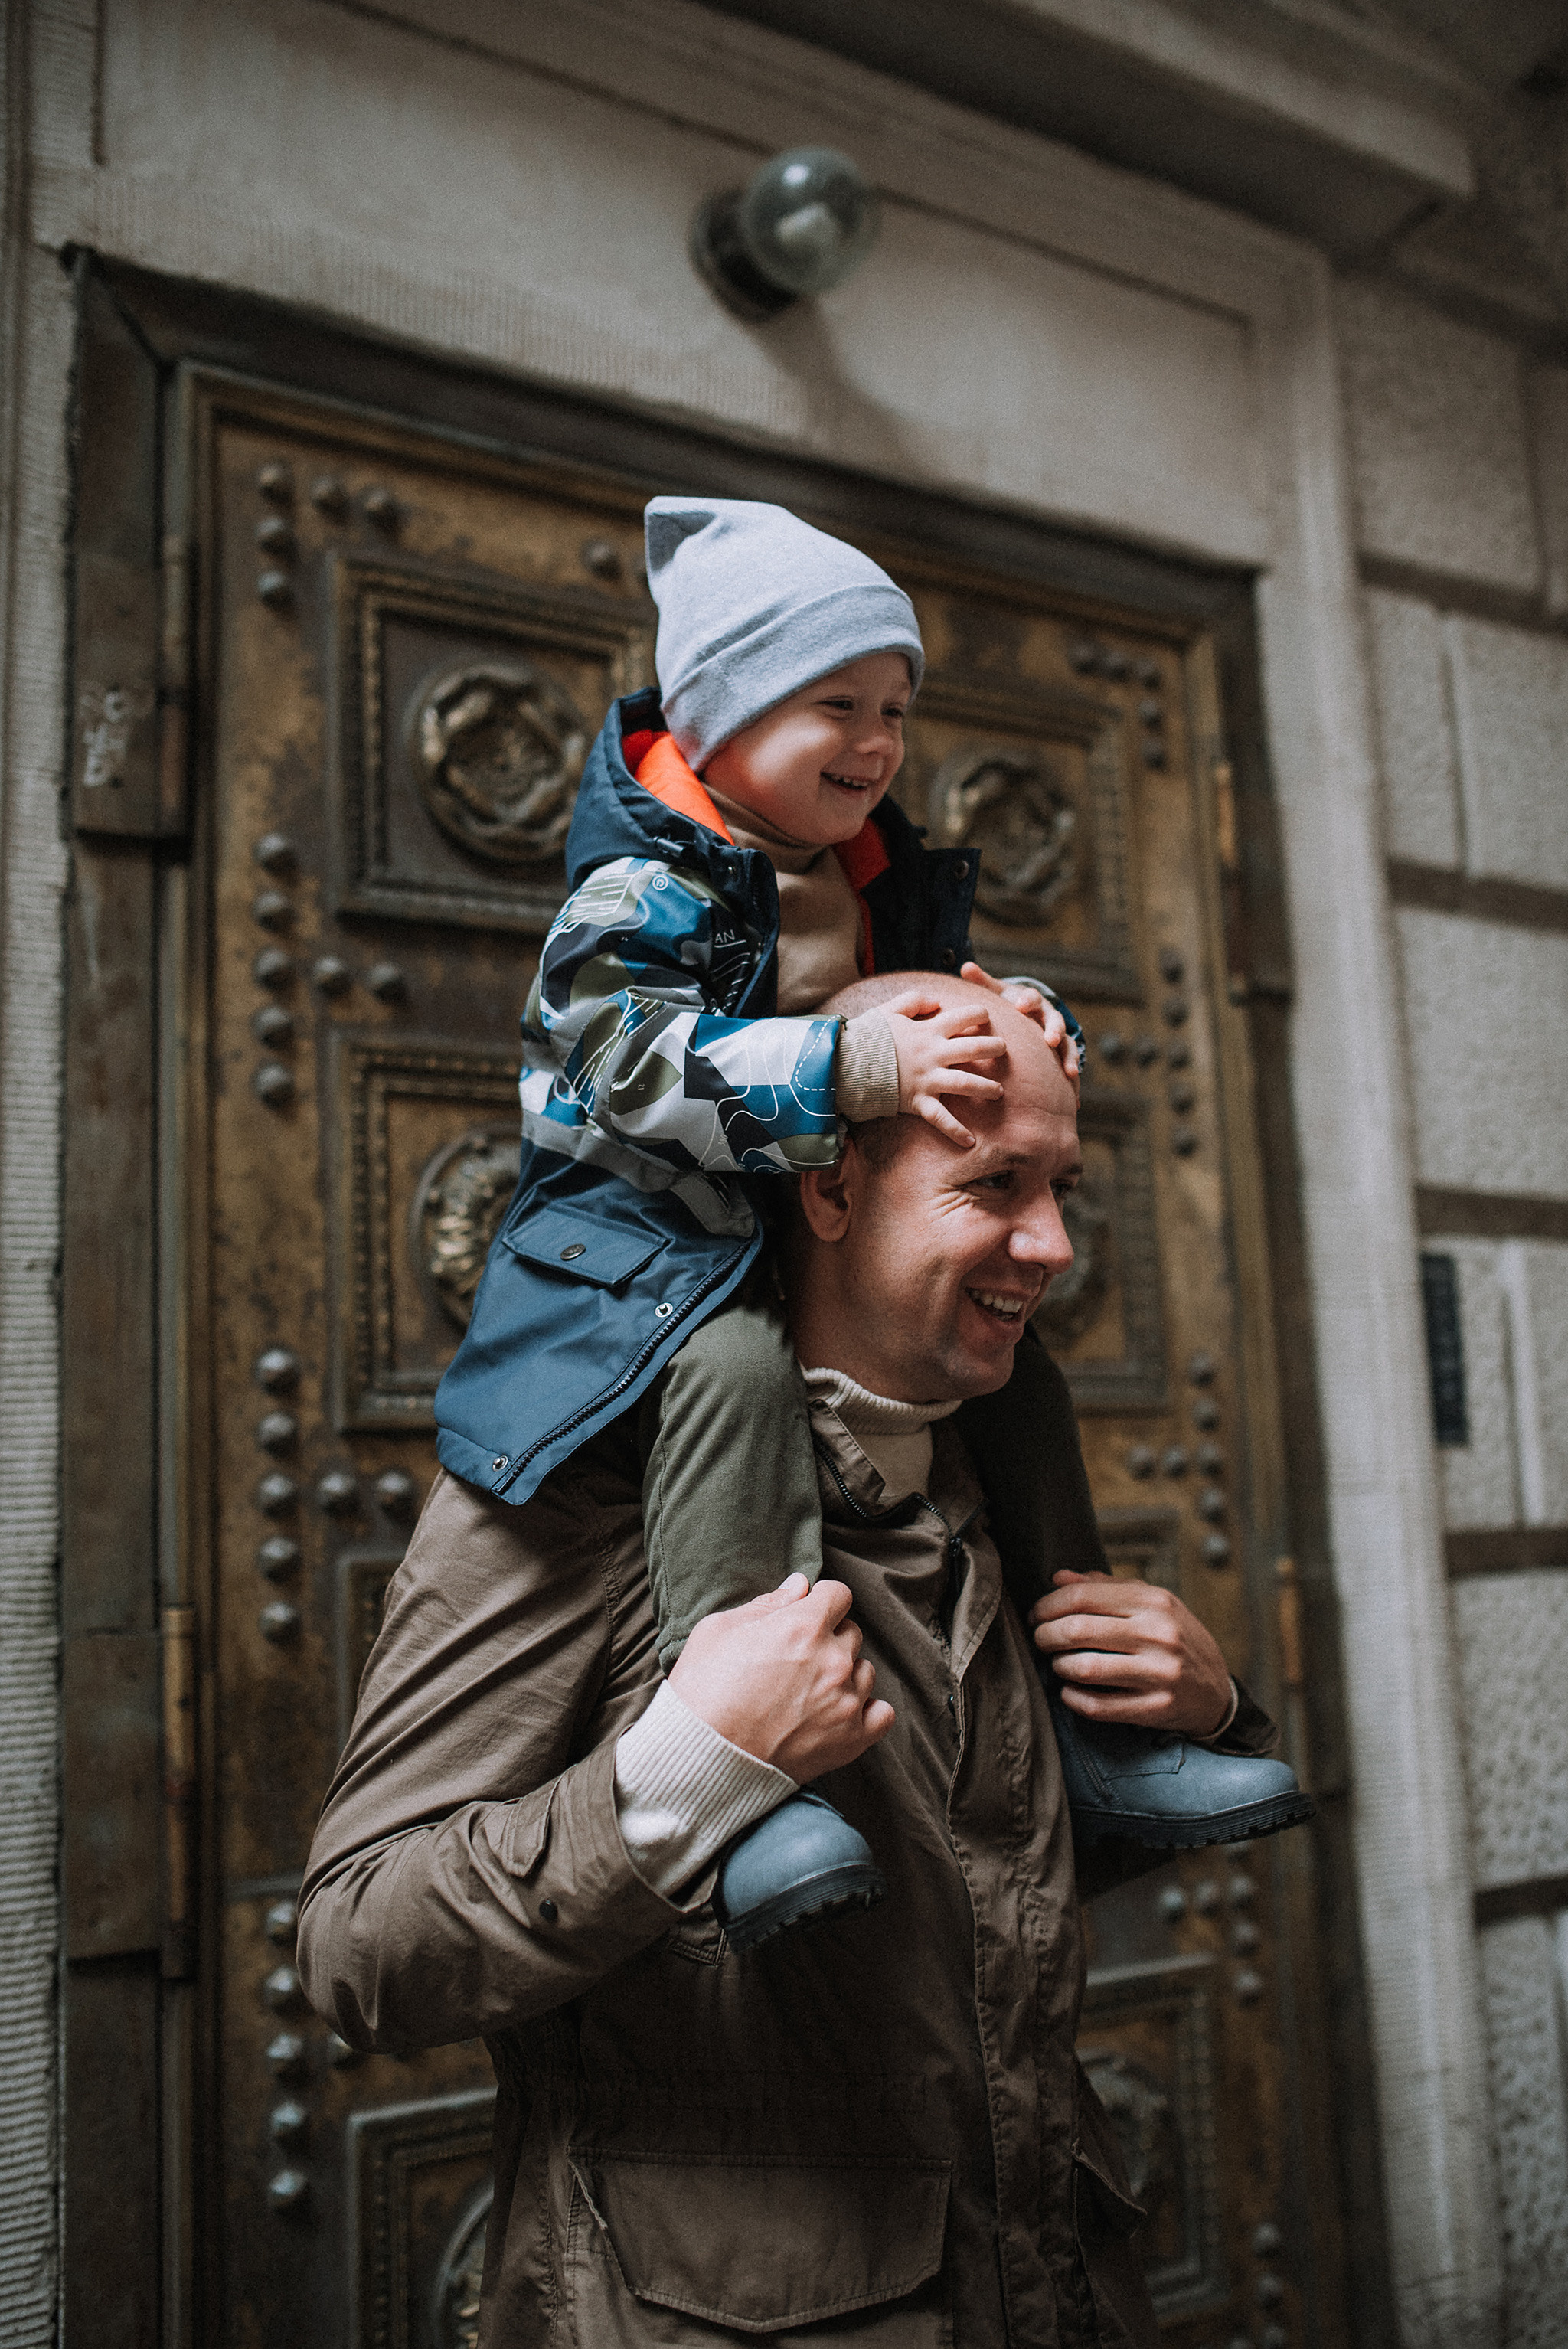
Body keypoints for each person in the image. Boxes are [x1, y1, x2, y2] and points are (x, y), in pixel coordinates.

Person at [299, 983, 1286, 2347]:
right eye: (995, 1182)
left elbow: (970, 1885)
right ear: (825, 1188)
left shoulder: (993, 1468)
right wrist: (690, 1767)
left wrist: (1208, 1714)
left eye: (1060, 1182)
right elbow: (362, 1947)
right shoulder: (581, 1486)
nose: (1052, 1243)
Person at [433, 500, 1308, 1940]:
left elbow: (935, 994)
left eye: (896, 708)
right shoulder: (641, 884)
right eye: (836, 704)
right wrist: (848, 1070)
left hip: (767, 1225)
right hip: (642, 1259)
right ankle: (759, 1778)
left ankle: (1110, 1737)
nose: (880, 741)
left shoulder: (861, 869)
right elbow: (618, 1063)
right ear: (717, 716)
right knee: (729, 1374)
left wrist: (1027, 1013)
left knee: (1027, 1387)